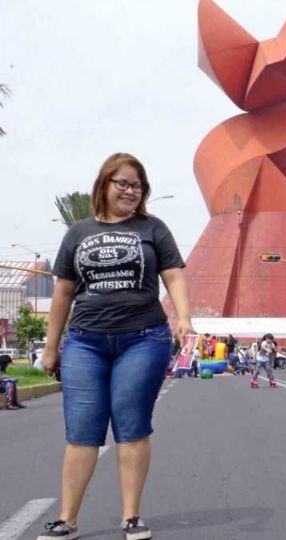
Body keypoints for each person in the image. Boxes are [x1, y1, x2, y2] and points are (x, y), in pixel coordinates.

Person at [38, 152, 193, 540]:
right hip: (84, 341)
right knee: (82, 431)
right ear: (104, 185)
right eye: (121, 182)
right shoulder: (78, 232)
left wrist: (184, 318)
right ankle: (68, 519)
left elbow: (173, 275)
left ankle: (131, 516)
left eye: (136, 185)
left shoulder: (153, 228)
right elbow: (62, 292)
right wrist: (51, 345)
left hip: (143, 338)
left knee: (131, 426)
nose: (129, 190)